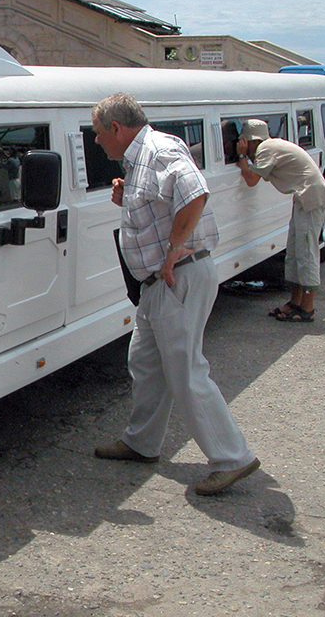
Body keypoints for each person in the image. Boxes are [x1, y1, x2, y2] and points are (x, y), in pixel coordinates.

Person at [91, 93, 260, 496]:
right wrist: (125, 194)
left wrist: (170, 255)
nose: (96, 141)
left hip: (175, 277)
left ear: (116, 128)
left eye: (98, 133)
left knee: (185, 370)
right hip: (159, 284)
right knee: (146, 363)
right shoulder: (140, 158)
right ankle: (141, 443)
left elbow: (195, 194)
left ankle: (232, 457)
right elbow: (161, 203)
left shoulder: (160, 149)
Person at [237, 119, 325, 323]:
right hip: (305, 198)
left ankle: (307, 307)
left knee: (306, 252)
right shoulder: (271, 146)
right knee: (295, 252)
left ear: (250, 141)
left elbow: (251, 180)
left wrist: (242, 156)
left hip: (310, 199)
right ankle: (295, 302)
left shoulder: (265, 149)